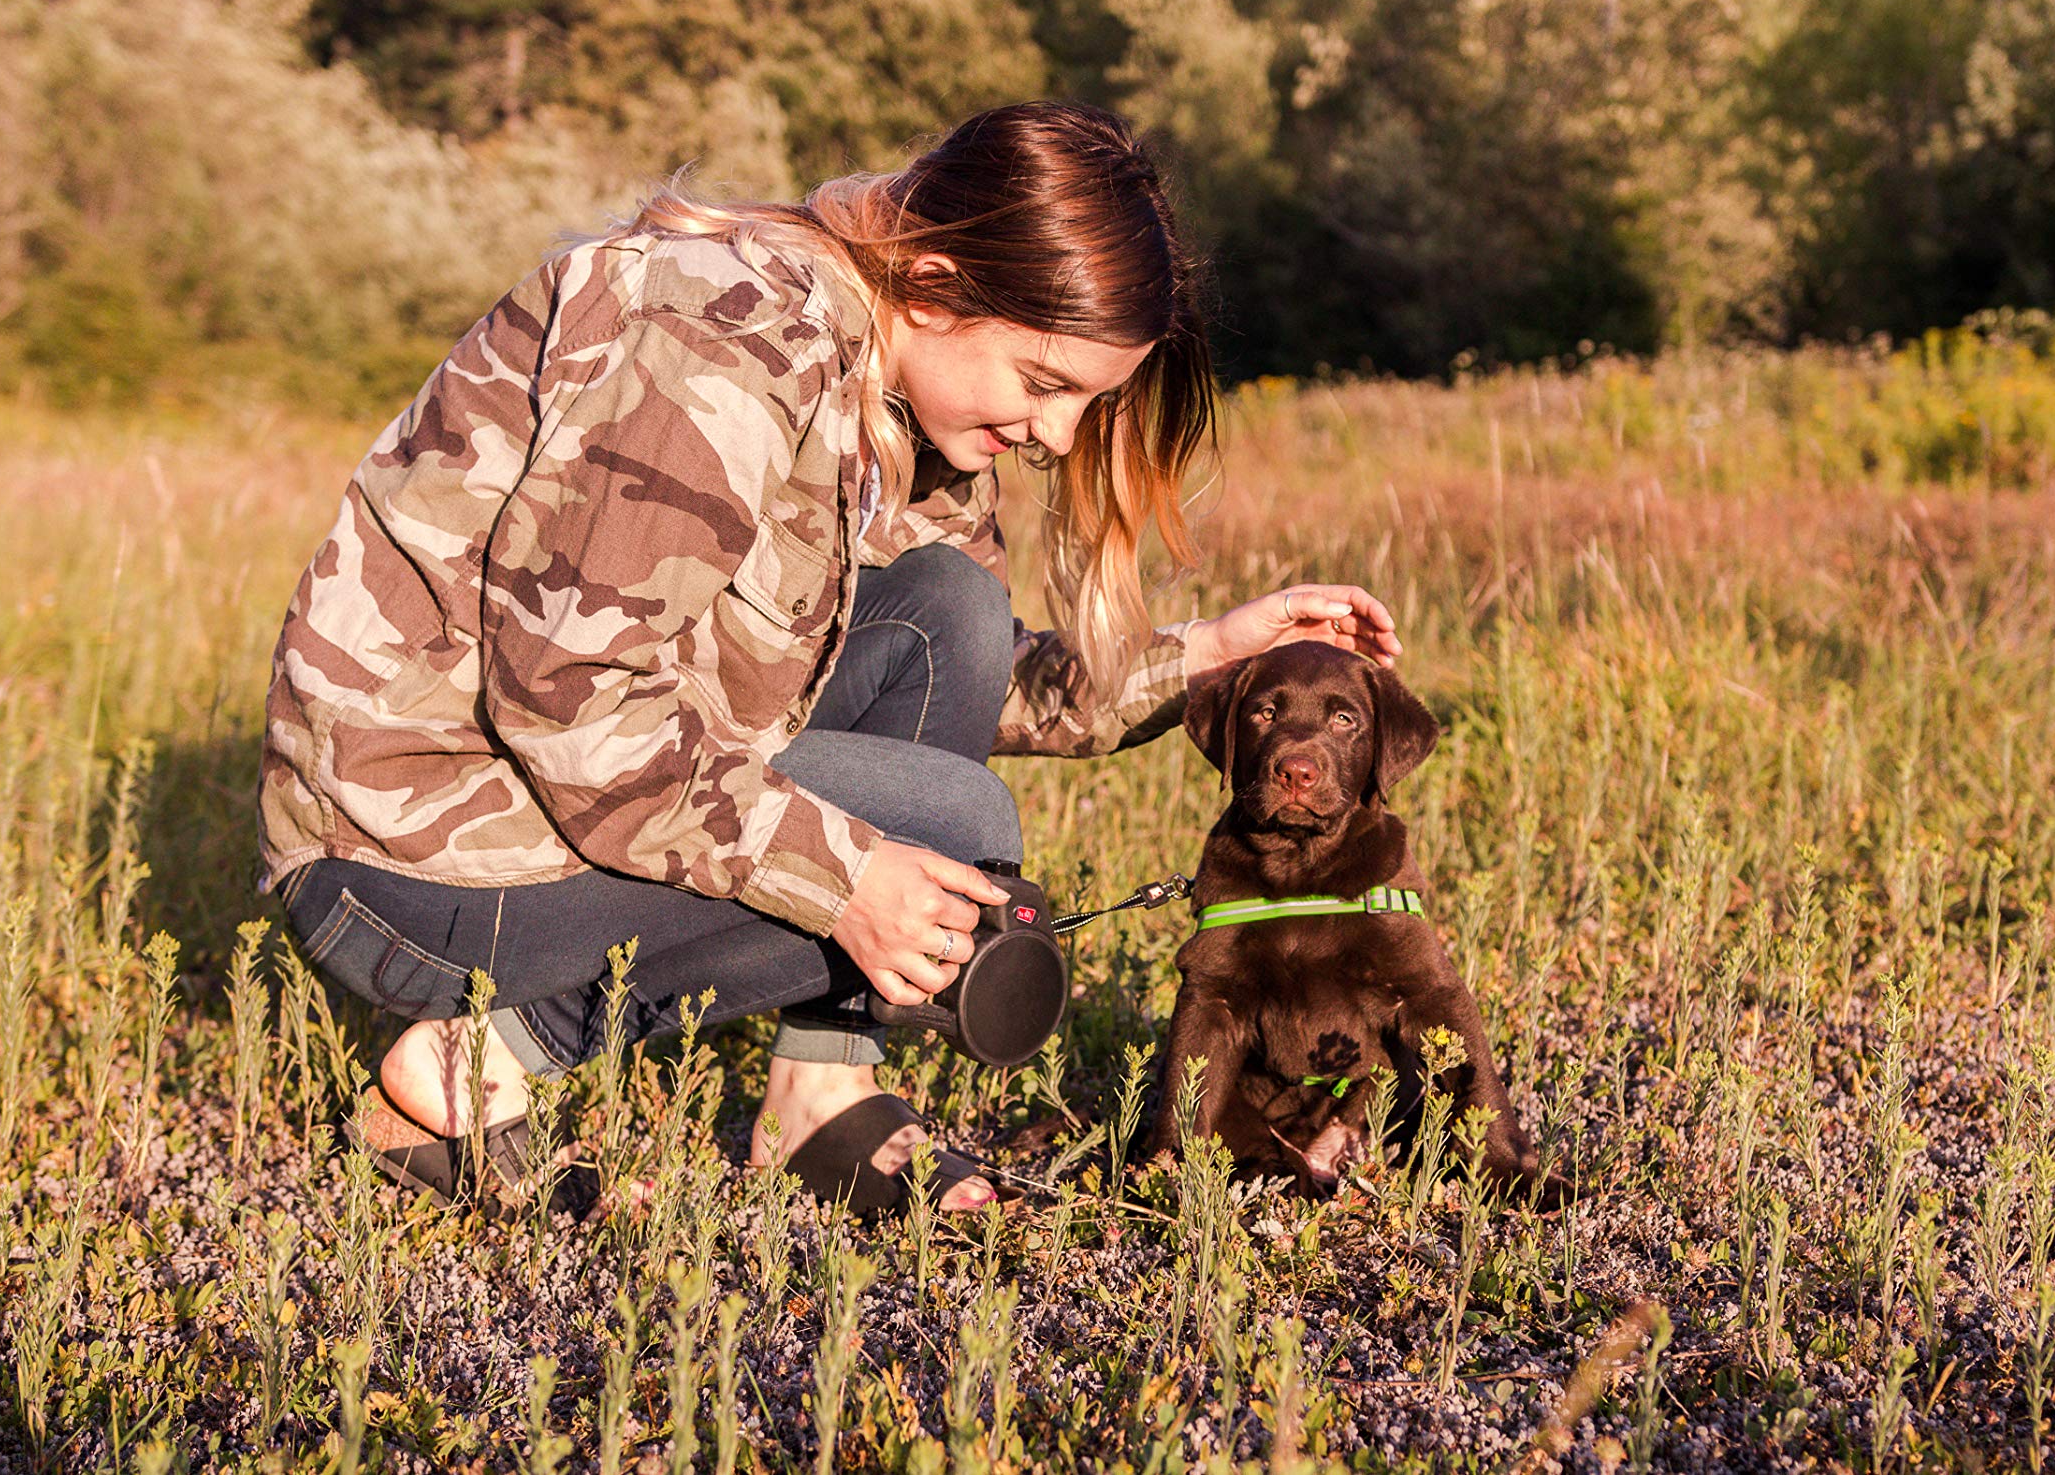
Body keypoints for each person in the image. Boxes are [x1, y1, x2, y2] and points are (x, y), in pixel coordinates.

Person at [258, 101, 1401, 1213]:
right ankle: (469, 1070)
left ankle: (823, 1094)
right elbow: (570, 702)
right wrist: (845, 873)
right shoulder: (719, 335)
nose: (1056, 435)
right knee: (956, 835)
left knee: (944, 613)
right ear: (941, 284)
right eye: (1045, 384)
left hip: (545, 796)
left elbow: (986, 680)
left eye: (1085, 401)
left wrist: (1214, 654)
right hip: (410, 860)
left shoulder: (904, 387)